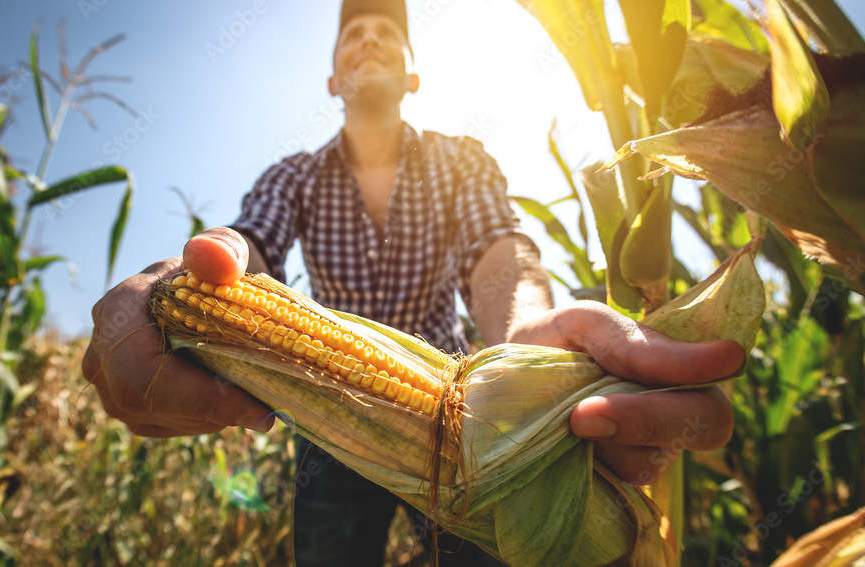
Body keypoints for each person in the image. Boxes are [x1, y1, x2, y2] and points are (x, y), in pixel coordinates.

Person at [82, 0, 743, 565]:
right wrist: (194, 278)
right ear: (334, 78)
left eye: (387, 32)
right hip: (330, 435)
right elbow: (252, 242)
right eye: (352, 35)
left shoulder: (459, 161)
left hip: (462, 425)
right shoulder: (295, 176)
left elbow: (497, 249)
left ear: (414, 76)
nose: (368, 37)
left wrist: (523, 338)